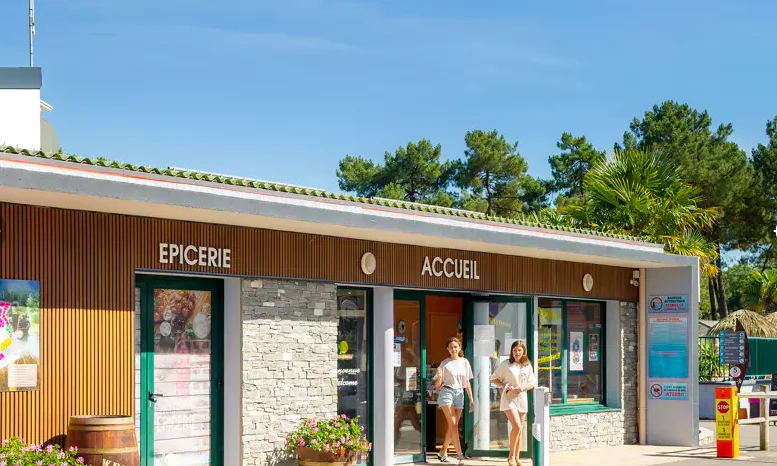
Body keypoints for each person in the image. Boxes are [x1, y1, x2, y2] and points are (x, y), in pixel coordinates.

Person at [490, 341, 536, 466]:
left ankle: (516, 457)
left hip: (522, 398)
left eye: (519, 350)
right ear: (512, 351)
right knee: (517, 427)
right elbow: (493, 378)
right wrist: (504, 385)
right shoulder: (506, 364)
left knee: (519, 430)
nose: (517, 353)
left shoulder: (527, 365)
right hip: (509, 398)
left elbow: (532, 383)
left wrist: (523, 387)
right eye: (515, 350)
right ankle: (511, 457)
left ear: (524, 351)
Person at [433, 337, 474, 465]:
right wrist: (439, 376)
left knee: (454, 426)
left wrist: (471, 400)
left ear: (459, 348)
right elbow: (437, 386)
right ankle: (460, 456)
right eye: (451, 347)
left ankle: (443, 451)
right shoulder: (444, 363)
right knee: (454, 424)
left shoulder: (465, 362)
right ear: (447, 349)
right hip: (447, 392)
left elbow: (466, 382)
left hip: (460, 394)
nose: (453, 349)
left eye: (455, 347)